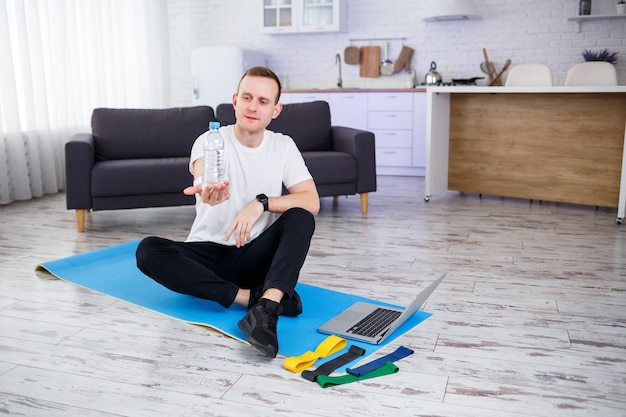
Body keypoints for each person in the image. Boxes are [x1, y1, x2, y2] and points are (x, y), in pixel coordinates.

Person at [135, 66, 320, 358]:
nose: (252, 107)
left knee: (301, 216)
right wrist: (207, 190)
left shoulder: (283, 145)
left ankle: (267, 311)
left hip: (254, 256)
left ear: (276, 109)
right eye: (247, 98)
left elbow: (311, 200)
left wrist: (262, 202)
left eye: (263, 101)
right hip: (207, 255)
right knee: (147, 250)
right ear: (234, 101)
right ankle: (254, 300)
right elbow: (203, 176)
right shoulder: (210, 140)